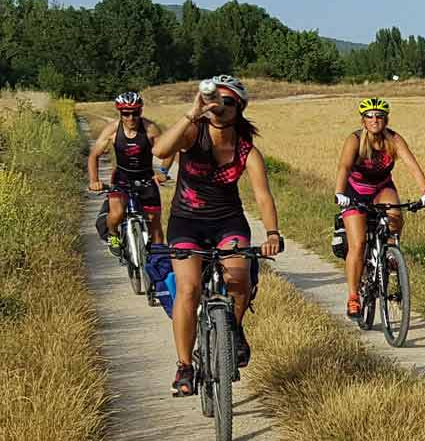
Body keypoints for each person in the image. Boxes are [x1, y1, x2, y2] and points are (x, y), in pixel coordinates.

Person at [151, 74, 281, 397]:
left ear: (239, 109)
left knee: (240, 279)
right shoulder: (194, 133)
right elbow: (160, 149)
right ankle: (184, 365)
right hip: (186, 222)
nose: (218, 107)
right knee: (189, 288)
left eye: (227, 102)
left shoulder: (246, 151)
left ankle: (233, 330)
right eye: (214, 100)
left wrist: (273, 232)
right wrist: (191, 113)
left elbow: (263, 196)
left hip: (227, 221)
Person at [334, 97, 425, 318]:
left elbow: (411, 164)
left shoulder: (394, 139)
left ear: (386, 119)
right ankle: (353, 297)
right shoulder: (355, 139)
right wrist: (340, 193)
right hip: (355, 191)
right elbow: (344, 166)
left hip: (381, 187)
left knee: (396, 214)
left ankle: (390, 251)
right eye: (369, 116)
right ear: (363, 120)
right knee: (358, 244)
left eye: (379, 116)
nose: (374, 120)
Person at [88, 91, 173, 255]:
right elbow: (94, 155)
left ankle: (158, 262)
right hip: (122, 178)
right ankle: (113, 235)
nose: (131, 118)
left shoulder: (150, 129)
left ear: (141, 111)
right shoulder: (112, 129)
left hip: (146, 178)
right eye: (126, 113)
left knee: (154, 223)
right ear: (120, 113)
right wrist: (94, 180)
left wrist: (163, 171)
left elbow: (169, 150)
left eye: (135, 113)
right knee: (117, 214)